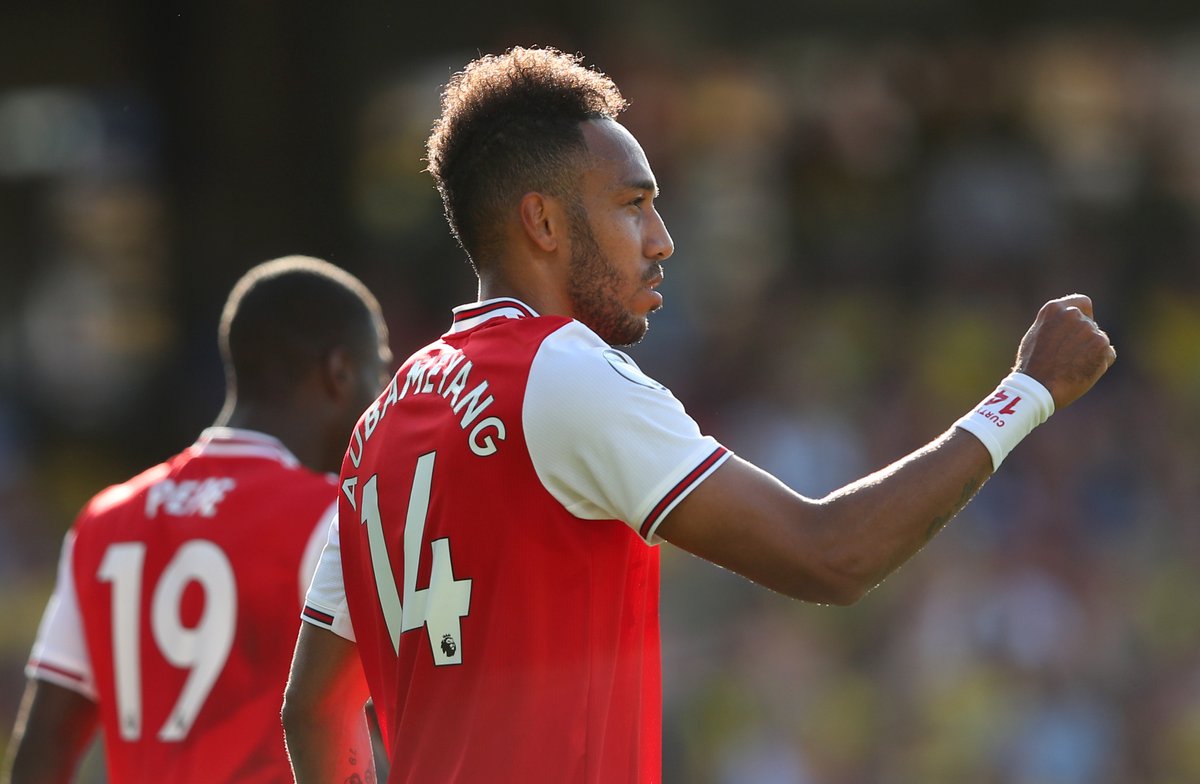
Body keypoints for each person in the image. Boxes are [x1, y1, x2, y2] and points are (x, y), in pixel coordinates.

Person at [282, 47, 1116, 784]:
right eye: (632, 204)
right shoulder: (562, 371)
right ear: (542, 222)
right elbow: (829, 556)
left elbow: (313, 710)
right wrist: (1026, 393)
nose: (661, 239)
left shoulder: (381, 425)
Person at [3, 256, 392, 784]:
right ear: (340, 371)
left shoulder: (105, 520)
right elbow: (379, 725)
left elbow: (46, 741)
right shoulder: (332, 516)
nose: (383, 399)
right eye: (380, 373)